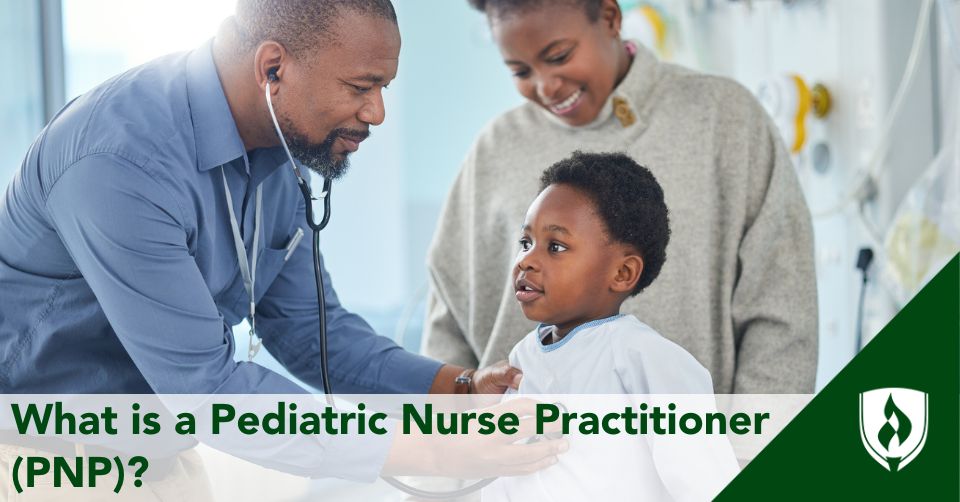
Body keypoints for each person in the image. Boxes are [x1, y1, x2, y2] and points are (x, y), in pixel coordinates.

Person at [0, 0, 563, 488]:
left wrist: (457, 391)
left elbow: (310, 329)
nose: (377, 113)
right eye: (360, 87)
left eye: (383, 88)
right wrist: (429, 449)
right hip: (47, 462)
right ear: (273, 67)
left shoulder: (279, 147)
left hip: (158, 454)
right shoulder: (121, 163)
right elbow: (208, 387)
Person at [423, 0, 819, 393]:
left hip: (692, 447)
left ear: (610, 17)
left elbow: (782, 310)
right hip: (511, 450)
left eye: (559, 56)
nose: (545, 86)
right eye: (520, 71)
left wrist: (750, 452)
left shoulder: (724, 119)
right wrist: (457, 442)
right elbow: (448, 324)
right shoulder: (496, 149)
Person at [482, 151, 739, 501]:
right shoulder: (523, 357)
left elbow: (705, 480)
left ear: (622, 273)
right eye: (526, 243)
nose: (526, 260)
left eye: (555, 246)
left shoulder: (647, 360)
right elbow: (500, 469)